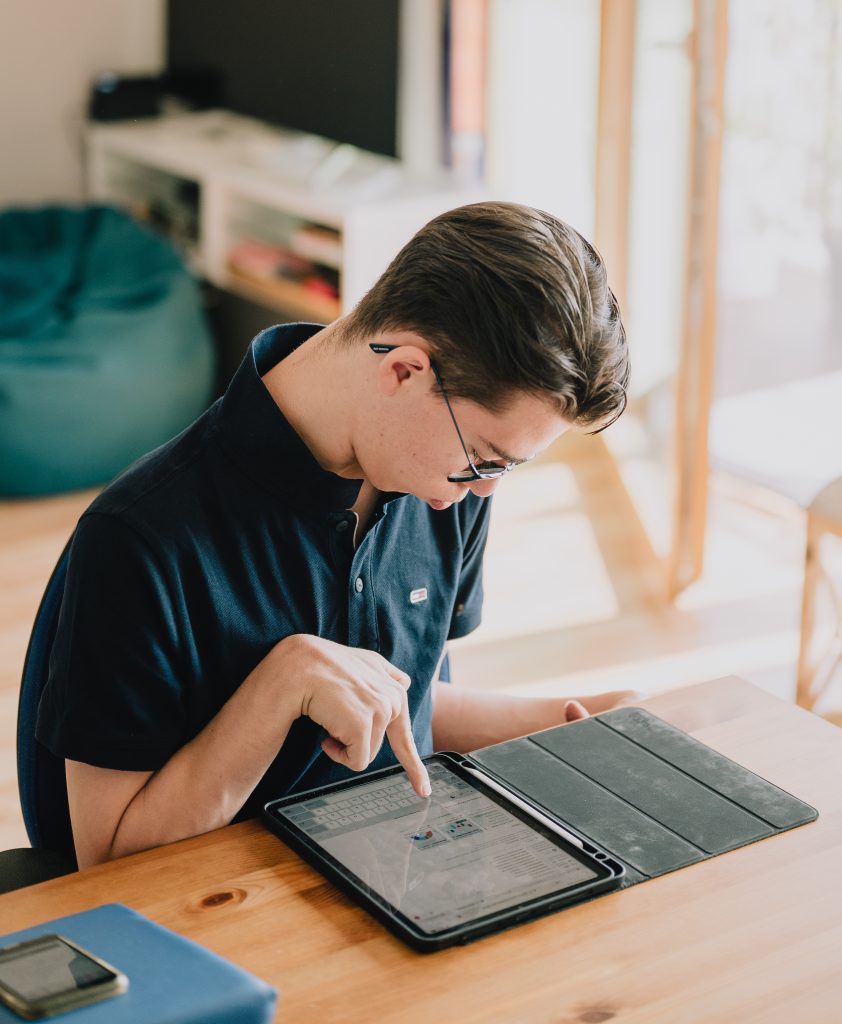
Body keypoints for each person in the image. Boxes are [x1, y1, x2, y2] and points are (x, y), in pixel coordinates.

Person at [36, 202, 631, 869]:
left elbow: (404, 707)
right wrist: (280, 688)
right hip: (229, 924)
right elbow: (109, 861)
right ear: (403, 370)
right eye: (485, 459)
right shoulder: (139, 540)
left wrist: (575, 721)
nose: (485, 489)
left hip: (401, 873)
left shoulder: (443, 484)